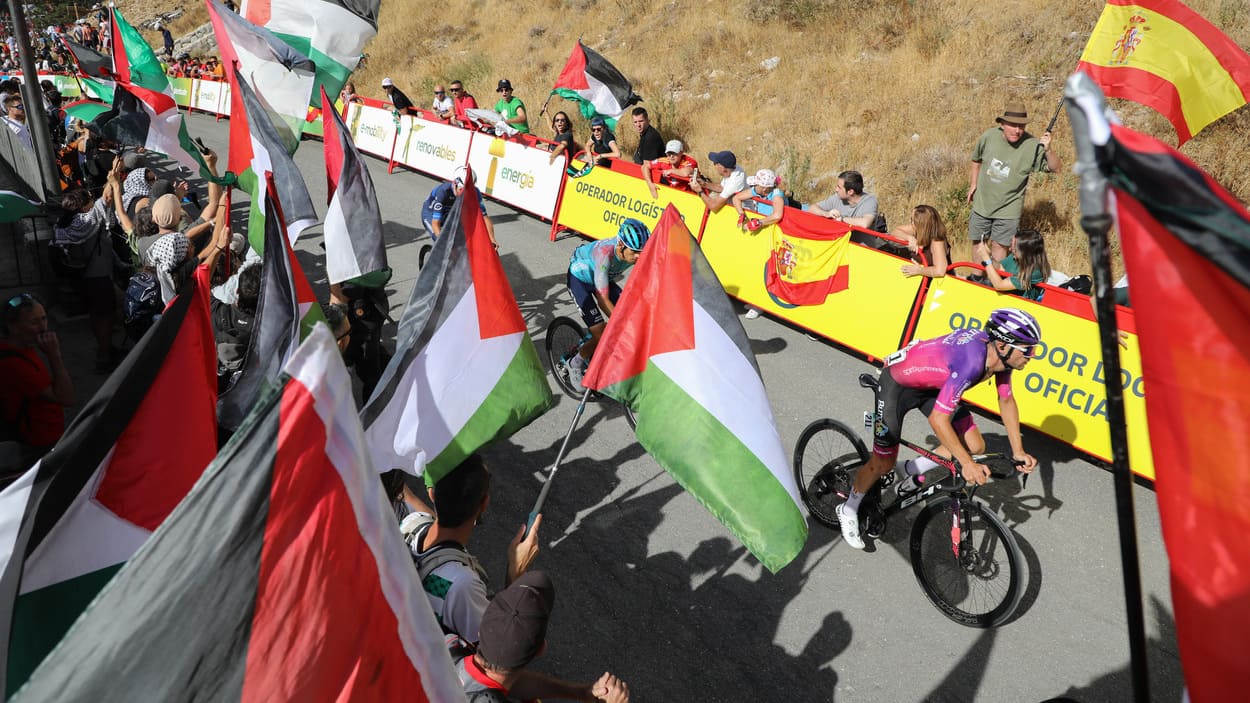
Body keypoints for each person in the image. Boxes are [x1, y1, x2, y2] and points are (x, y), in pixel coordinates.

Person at [836, 308, 1042, 549]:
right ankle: (848, 507)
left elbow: (1006, 400)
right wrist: (967, 464)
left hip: (933, 385)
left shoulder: (999, 359)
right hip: (897, 386)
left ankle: (912, 469)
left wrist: (1018, 450)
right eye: (1027, 349)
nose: (1032, 355)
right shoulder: (972, 362)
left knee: (975, 445)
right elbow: (938, 419)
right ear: (1004, 345)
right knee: (883, 463)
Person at [402, 454, 541, 648]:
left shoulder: (410, 525)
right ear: (484, 504)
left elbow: (430, 517)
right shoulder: (462, 585)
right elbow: (495, 650)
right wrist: (515, 573)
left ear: (432, 494)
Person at [458, 570, 631, 703]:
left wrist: (580, 692)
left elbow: (507, 683)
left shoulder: (448, 648)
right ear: (541, 649)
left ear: (480, 631)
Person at [967, 102, 1061, 262]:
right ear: (1002, 124)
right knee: (979, 243)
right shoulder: (989, 136)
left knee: (999, 246)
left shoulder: (1032, 145)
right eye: (1013, 125)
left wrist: (1048, 150)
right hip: (983, 203)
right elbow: (976, 159)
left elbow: (1056, 168)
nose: (1017, 130)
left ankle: (994, 282)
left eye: (1021, 126)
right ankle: (977, 279)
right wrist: (973, 184)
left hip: (1009, 209)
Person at [563, 218, 651, 389]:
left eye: (642, 252)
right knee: (603, 332)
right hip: (580, 280)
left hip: (603, 279)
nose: (639, 257)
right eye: (634, 252)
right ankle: (574, 363)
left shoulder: (633, 253)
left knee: (631, 316)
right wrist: (619, 324)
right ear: (620, 246)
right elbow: (603, 299)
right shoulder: (605, 254)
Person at [0, 293, 74, 472]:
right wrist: (54, 355)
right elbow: (67, 398)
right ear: (13, 327)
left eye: (43, 318)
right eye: (34, 323)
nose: (43, 327)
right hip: (39, 440)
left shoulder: (22, 348)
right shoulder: (15, 364)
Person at [420, 165, 498, 246]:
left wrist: (492, 239)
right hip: (430, 214)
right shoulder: (443, 191)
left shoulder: (475, 192)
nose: (464, 194)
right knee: (441, 243)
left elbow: (484, 217)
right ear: (455, 184)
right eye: (461, 190)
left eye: (467, 191)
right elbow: (435, 223)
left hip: (451, 212)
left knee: (461, 242)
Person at [973, 228, 1050, 301]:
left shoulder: (1035, 272)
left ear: (1025, 253)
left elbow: (999, 285)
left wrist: (986, 259)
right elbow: (1001, 268)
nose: (1010, 249)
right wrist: (989, 256)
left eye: (1014, 249)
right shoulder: (1016, 257)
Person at [895, 204, 950, 279]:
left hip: (933, 283)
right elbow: (895, 231)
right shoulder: (916, 229)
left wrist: (919, 270)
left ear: (920, 224)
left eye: (912, 220)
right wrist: (909, 238)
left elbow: (940, 271)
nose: (911, 222)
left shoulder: (937, 241)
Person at [809, 171, 878, 228]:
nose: (836, 190)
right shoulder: (837, 198)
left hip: (857, 244)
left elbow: (864, 223)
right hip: (840, 243)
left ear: (850, 192)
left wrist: (842, 219)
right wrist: (826, 214)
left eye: (839, 187)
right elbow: (812, 209)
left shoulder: (869, 201)